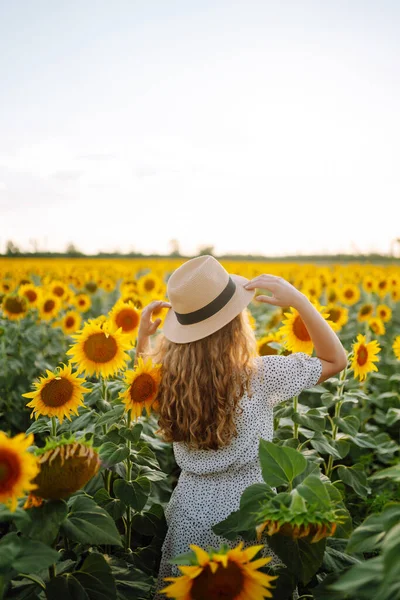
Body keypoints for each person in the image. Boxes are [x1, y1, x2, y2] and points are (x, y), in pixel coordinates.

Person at [136, 255, 348, 600]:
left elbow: (141, 378)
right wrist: (300, 301)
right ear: (238, 324)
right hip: (250, 512)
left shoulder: (167, 379)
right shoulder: (259, 376)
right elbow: (335, 360)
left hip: (190, 512)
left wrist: (142, 339)